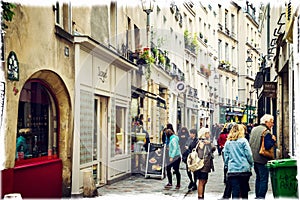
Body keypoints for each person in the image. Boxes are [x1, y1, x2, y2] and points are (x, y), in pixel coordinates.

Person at [223, 124, 253, 199]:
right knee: (244, 191)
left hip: (233, 169)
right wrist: (251, 163)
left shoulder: (228, 142)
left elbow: (225, 156)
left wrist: (227, 165)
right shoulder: (244, 141)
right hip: (244, 168)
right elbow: (249, 154)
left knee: (235, 191)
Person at [249, 114, 276, 199]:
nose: (273, 124)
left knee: (258, 178)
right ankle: (261, 197)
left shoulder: (254, 129)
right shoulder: (266, 132)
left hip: (254, 158)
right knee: (264, 179)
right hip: (262, 159)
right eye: (271, 122)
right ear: (266, 122)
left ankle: (257, 196)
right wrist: (273, 140)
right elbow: (267, 146)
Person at [195, 127, 216, 199]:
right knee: (201, 181)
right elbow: (201, 155)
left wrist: (209, 143)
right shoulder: (201, 142)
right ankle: (200, 196)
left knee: (204, 181)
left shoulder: (206, 142)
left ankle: (202, 195)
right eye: (207, 133)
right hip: (202, 166)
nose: (209, 134)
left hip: (205, 166)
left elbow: (213, 148)